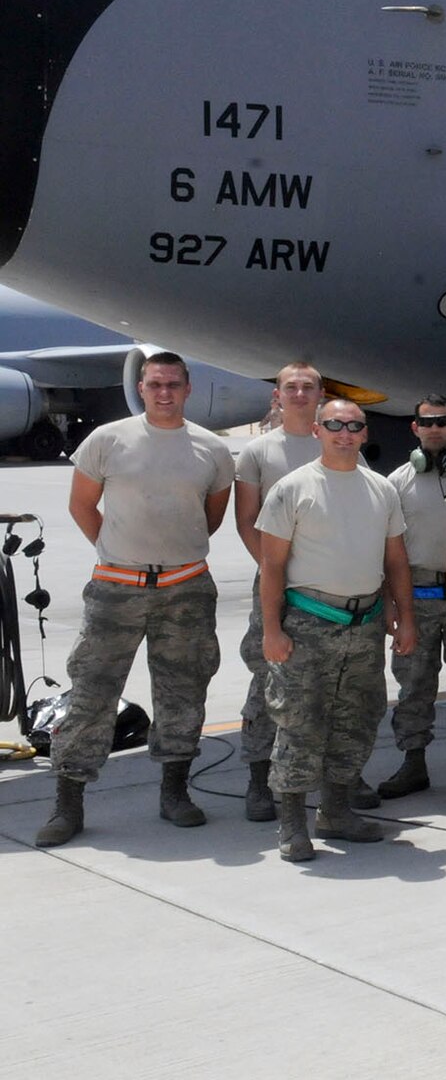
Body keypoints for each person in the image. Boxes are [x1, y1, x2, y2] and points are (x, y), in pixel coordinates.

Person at [35, 353, 235, 848]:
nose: (163, 392)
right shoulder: (107, 440)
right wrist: (119, 551)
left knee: (183, 693)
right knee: (91, 695)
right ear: (141, 388)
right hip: (116, 589)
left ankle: (174, 793)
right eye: (154, 384)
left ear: (187, 389)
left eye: (172, 384)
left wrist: (166, 555)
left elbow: (208, 519)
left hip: (186, 588)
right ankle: (68, 802)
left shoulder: (212, 449)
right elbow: (82, 505)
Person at [254, 399, 416, 862]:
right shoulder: (292, 488)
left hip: (363, 625)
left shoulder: (381, 490)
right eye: (334, 425)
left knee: (357, 720)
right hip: (308, 623)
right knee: (300, 724)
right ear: (319, 431)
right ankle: (292, 825)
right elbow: (272, 566)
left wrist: (403, 617)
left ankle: (336, 811)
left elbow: (396, 561)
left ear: (365, 433)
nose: (344, 433)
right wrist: (272, 630)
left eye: (354, 426)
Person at [232, 360, 324, 822]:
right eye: (291, 387)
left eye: (309, 387)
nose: (300, 394)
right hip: (277, 583)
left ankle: (336, 776)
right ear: (277, 396)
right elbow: (246, 521)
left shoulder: (339, 442)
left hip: (329, 589)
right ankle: (258, 776)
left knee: (331, 679)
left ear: (319, 396)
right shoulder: (258, 453)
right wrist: (275, 574)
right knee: (270, 677)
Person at [376, 394, 446, 799]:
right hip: (417, 599)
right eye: (426, 422)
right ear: (414, 428)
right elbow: (388, 550)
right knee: (413, 688)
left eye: (441, 421)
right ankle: (413, 764)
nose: (434, 429)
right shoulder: (397, 482)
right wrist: (393, 607)